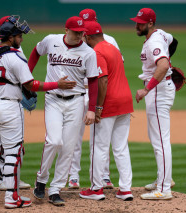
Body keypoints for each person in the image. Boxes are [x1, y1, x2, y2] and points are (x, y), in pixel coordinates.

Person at [0, 15, 76, 208]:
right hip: (8, 108)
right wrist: (56, 85)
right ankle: (11, 198)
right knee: (12, 152)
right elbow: (31, 84)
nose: (22, 39)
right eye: (19, 35)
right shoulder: (15, 57)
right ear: (10, 37)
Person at [28, 16, 99, 206]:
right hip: (53, 99)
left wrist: (91, 109)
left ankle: (56, 189)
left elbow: (93, 81)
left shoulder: (88, 52)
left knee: (68, 147)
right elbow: (36, 51)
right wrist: (26, 76)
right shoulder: (51, 40)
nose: (79, 36)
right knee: (54, 140)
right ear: (66, 30)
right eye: (75, 32)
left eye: (81, 32)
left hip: (76, 102)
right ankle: (41, 180)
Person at [68, 8, 123, 190]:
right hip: (78, 93)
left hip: (96, 93)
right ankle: (73, 176)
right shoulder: (75, 42)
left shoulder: (109, 41)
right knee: (74, 137)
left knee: (99, 138)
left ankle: (104, 176)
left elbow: (116, 67)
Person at [78, 21, 134, 201]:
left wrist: (97, 107)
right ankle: (125, 190)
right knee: (121, 147)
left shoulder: (97, 52)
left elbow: (102, 81)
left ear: (88, 36)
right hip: (125, 101)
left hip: (109, 103)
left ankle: (96, 189)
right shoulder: (113, 47)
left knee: (99, 147)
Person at [130, 8, 178, 200]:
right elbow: (174, 41)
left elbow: (163, 65)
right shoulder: (161, 35)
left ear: (150, 24)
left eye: (140, 23)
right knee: (156, 138)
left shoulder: (155, 41)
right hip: (161, 87)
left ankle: (165, 189)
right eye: (136, 21)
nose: (136, 25)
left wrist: (146, 89)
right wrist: (168, 57)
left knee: (160, 141)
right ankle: (163, 179)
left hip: (157, 91)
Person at [0, 15, 31, 191]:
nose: (21, 34)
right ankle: (4, 181)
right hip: (7, 99)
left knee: (10, 142)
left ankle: (10, 178)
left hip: (3, 98)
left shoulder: (7, 48)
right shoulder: (11, 51)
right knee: (10, 143)